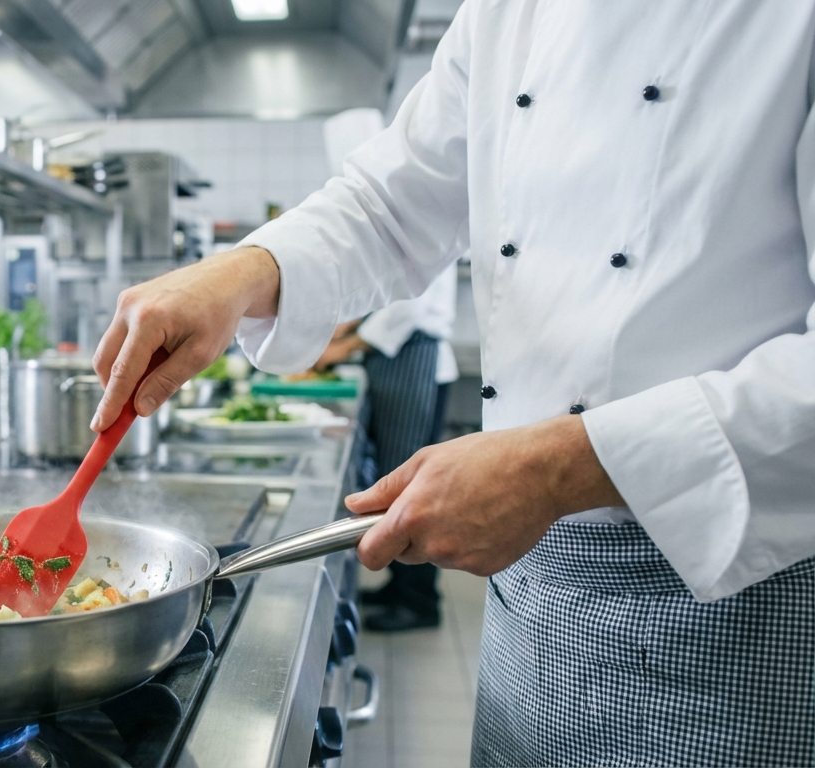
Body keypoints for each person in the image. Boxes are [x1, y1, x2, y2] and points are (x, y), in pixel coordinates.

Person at [87, 3, 815, 765]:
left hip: (733, 601)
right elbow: (389, 203)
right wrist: (243, 270)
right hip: (526, 594)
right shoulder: (504, 11)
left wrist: (559, 467)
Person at [313, 265, 459, 632]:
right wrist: (345, 327)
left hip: (413, 358)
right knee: (393, 479)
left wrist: (341, 348)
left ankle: (418, 601)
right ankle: (400, 586)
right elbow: (386, 294)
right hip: (397, 361)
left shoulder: (429, 224)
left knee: (409, 488)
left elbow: (405, 313)